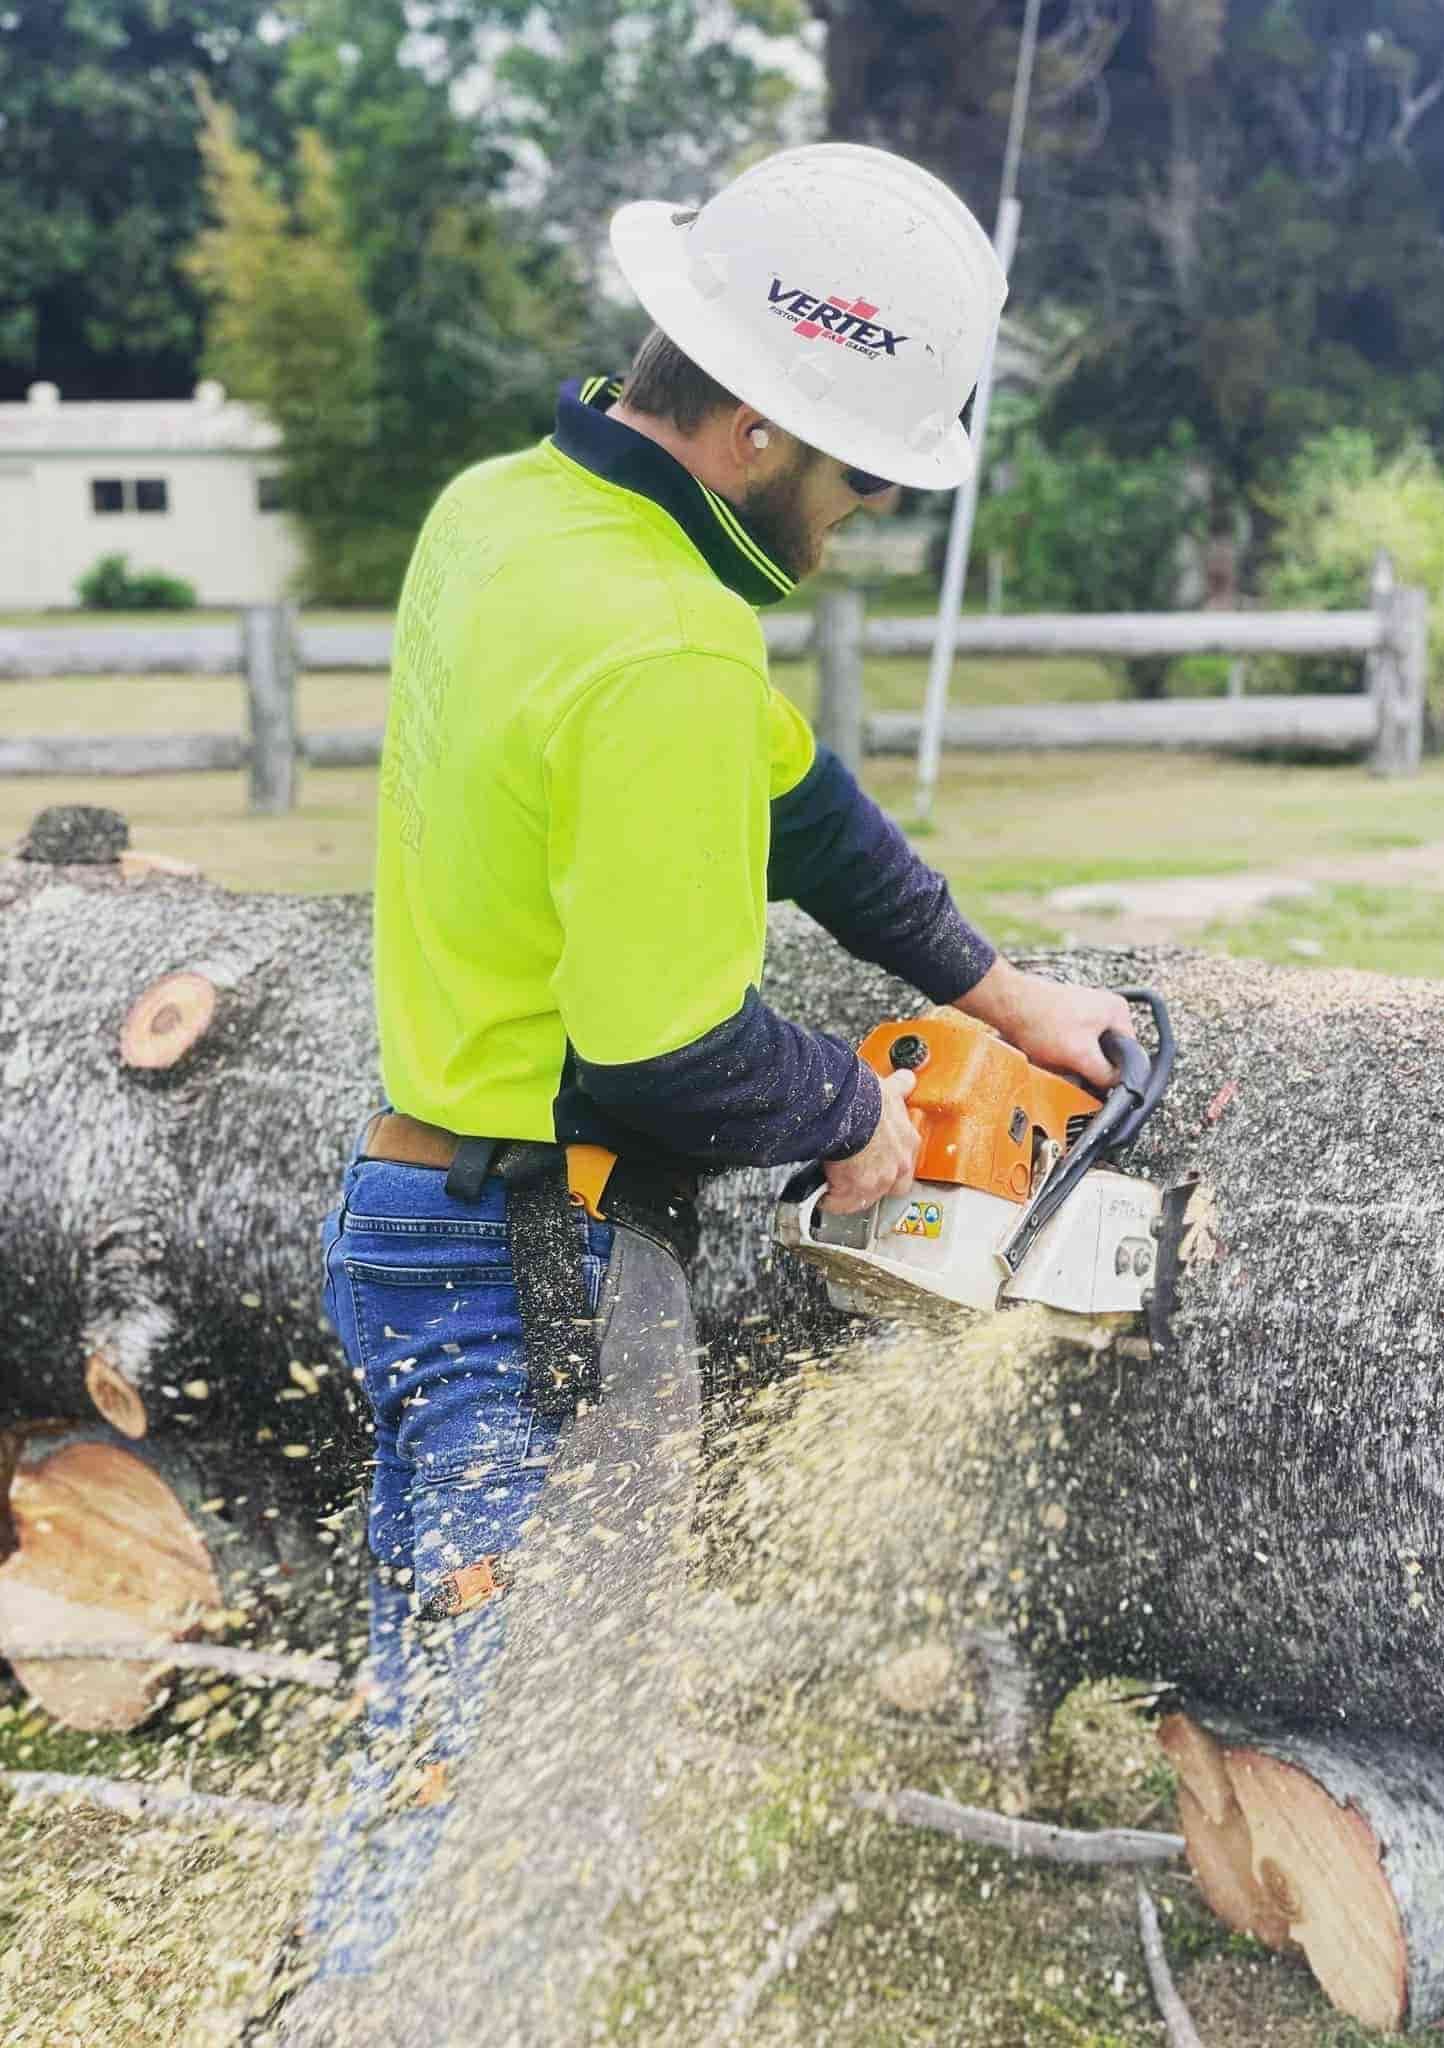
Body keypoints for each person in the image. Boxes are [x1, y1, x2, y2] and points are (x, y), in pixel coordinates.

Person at [281, 140, 1133, 2032]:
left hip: (420, 1218)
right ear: (754, 429)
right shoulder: (660, 638)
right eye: (853, 475)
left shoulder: (506, 515)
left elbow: (797, 802)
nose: (852, 520)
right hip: (536, 1272)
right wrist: (854, 1116)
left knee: (447, 1738)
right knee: (509, 1785)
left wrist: (995, 987)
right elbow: (663, 1048)